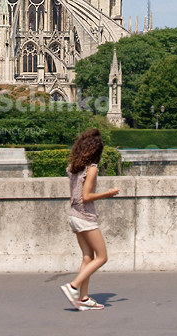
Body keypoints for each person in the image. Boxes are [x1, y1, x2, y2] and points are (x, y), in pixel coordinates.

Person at [60, 128, 119, 311]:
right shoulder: (91, 169)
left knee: (88, 257)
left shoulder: (72, 168)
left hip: (75, 215)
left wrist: (74, 219)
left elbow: (73, 196)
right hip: (85, 217)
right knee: (102, 257)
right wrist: (108, 193)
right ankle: (73, 286)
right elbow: (86, 196)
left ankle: (83, 298)